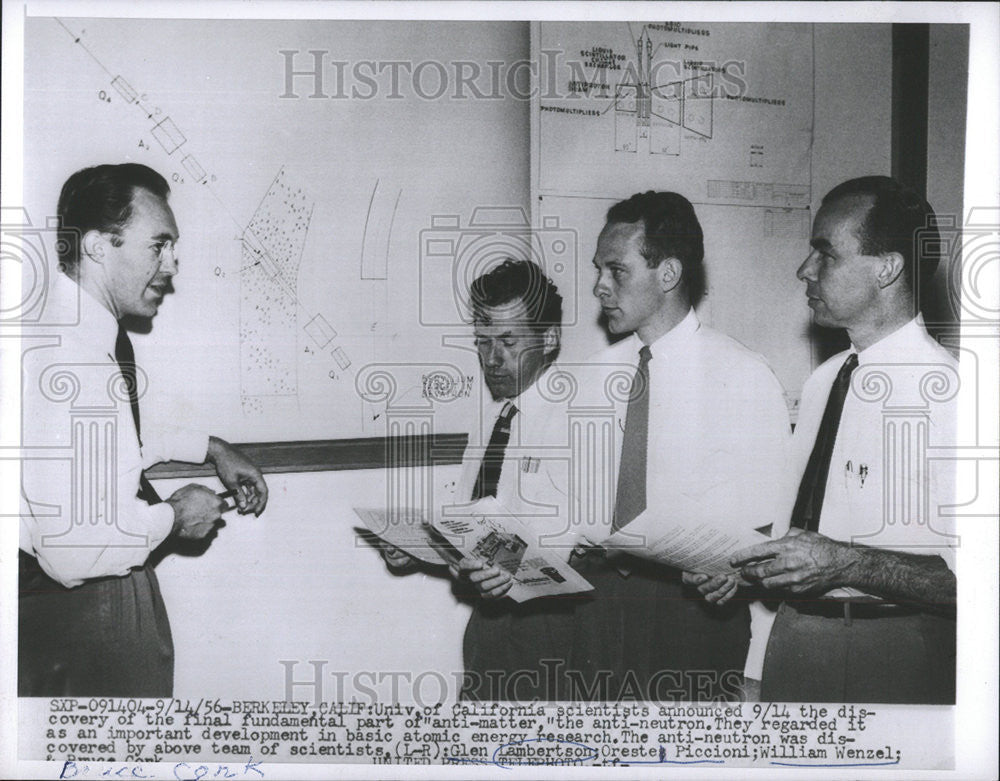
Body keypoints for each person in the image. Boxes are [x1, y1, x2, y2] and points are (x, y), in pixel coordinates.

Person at [19, 163, 269, 697]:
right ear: (96, 247)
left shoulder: (75, 337)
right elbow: (71, 550)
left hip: (91, 604)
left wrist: (210, 447)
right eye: (158, 245)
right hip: (85, 614)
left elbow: (107, 441)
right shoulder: (67, 359)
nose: (171, 265)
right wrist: (175, 517)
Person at [724, 176, 958, 703]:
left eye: (825, 253)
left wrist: (847, 563)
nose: (805, 270)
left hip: (896, 651)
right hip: (795, 640)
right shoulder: (824, 380)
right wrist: (759, 659)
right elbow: (796, 537)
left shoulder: (953, 397)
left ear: (887, 268)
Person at [568, 190, 791, 701]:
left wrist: (738, 576)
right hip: (598, 604)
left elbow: (770, 518)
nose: (600, 286)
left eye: (616, 271)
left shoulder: (743, 375)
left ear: (667, 274)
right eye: (598, 270)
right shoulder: (595, 375)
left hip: (691, 615)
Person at [381, 258, 580, 700]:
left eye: (507, 341)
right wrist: (420, 547)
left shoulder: (574, 421)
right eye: (482, 342)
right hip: (489, 632)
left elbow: (570, 546)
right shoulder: (496, 414)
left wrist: (501, 566)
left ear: (549, 339)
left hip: (554, 640)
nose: (491, 358)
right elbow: (475, 519)